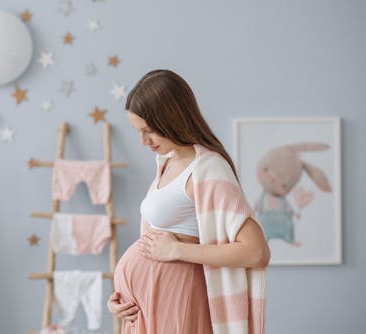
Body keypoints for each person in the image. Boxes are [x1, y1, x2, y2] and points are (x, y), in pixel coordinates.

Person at [108, 69, 270, 334]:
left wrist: (177, 251)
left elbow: (257, 252)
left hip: (177, 302)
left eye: (150, 131)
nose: (143, 141)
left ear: (172, 119)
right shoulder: (168, 162)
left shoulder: (208, 169)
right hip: (147, 309)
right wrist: (121, 299)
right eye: (138, 131)